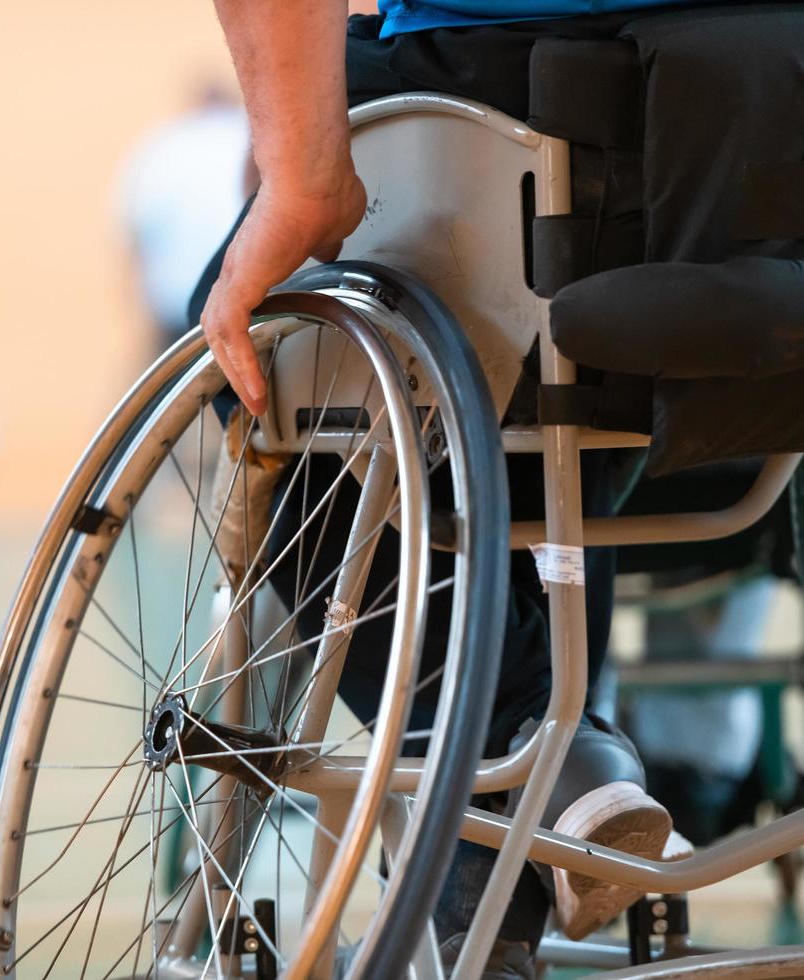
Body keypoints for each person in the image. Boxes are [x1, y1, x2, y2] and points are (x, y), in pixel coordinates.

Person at [193, 0, 803, 975]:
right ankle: (515, 823)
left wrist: (301, 179)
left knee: (257, 359)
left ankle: (528, 753)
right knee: (561, 403)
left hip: (519, 87)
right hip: (767, 126)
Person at [119, 79, 251, 355]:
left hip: (173, 304)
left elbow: (133, 233)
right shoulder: (244, 131)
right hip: (236, 295)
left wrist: (140, 309)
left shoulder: (163, 144)